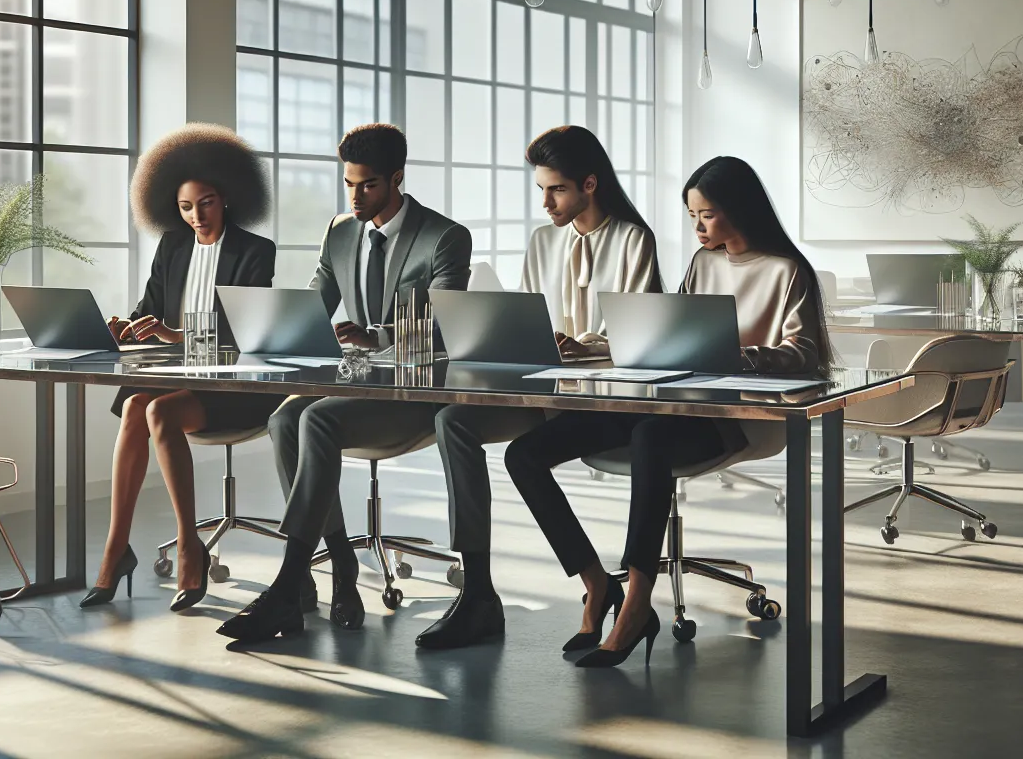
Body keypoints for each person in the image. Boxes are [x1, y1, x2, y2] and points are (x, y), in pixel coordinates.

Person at [504, 155, 831, 667]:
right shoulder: (704, 264)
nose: (698, 227)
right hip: (674, 402)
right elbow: (670, 332)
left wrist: (740, 356)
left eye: (707, 215)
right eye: (692, 216)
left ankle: (636, 606)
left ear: (739, 210)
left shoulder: (786, 270)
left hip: (734, 418)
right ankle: (596, 584)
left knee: (650, 438)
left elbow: (804, 353)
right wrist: (600, 348)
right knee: (524, 454)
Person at [217, 123, 473, 643]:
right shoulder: (339, 231)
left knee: (315, 416)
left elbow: (444, 328)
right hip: (354, 381)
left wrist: (375, 335)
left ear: (397, 178)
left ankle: (289, 583)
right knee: (285, 416)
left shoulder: (444, 237)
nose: (355, 197)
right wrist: (281, 326)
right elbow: (315, 304)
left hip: (414, 391)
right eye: (349, 184)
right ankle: (339, 565)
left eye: (368, 185)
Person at [415, 125, 662, 651]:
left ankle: (603, 590)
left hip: (605, 397)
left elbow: (640, 335)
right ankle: (484, 589)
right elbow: (527, 315)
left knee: (522, 458)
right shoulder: (542, 240)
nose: (546, 202)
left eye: (556, 190)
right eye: (541, 190)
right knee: (452, 420)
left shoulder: (633, 239)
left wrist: (585, 346)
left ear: (589, 184)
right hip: (544, 390)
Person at [80, 124, 279, 611]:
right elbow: (149, 306)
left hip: (235, 386)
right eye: (187, 207)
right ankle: (115, 548)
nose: (196, 216)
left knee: (158, 413)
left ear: (227, 197)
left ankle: (189, 544)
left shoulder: (255, 252)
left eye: (206, 203)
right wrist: (127, 327)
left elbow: (246, 335)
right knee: (135, 409)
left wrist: (178, 336)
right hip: (178, 376)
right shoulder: (172, 246)